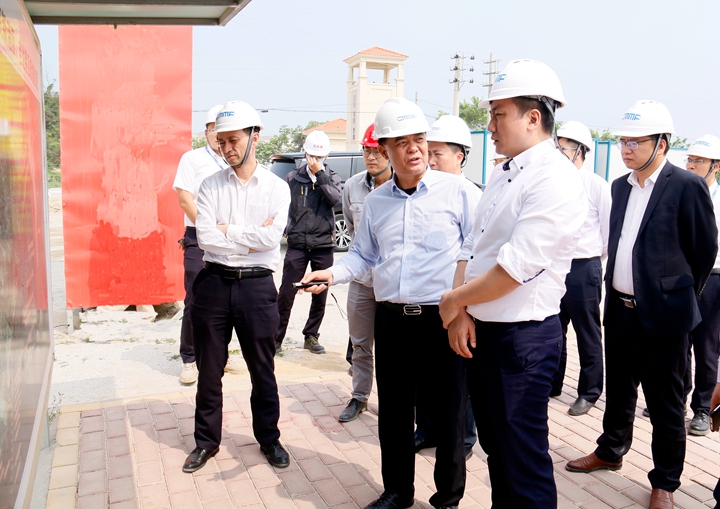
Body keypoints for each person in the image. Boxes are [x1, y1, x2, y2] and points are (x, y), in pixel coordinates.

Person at [301, 97, 477, 509]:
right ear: (384, 149)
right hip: (393, 319)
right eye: (402, 142)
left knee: (450, 413)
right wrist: (332, 274)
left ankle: (448, 498)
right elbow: (363, 255)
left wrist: (465, 309)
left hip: (442, 319)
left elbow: (477, 250)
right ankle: (398, 491)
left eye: (419, 139)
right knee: (395, 413)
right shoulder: (377, 202)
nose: (414, 149)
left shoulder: (460, 192)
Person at [438, 59, 588, 508]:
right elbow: (472, 245)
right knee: (498, 453)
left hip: (522, 342)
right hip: (485, 332)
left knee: (523, 462)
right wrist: (462, 311)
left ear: (532, 118)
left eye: (498, 114)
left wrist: (453, 299)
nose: (490, 126)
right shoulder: (506, 173)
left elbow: (515, 269)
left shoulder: (555, 179)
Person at [565, 100, 718, 509]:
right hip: (620, 311)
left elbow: (704, 250)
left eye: (636, 142)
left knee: (665, 404)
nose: (626, 149)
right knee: (619, 391)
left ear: (662, 144)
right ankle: (610, 450)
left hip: (665, 317)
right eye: (623, 141)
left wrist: (677, 294)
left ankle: (665, 481)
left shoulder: (686, 186)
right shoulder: (619, 186)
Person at [183, 100, 291, 473]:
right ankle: (206, 442)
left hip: (257, 288)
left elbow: (272, 239)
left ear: (254, 136)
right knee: (209, 370)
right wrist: (249, 237)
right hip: (213, 284)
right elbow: (206, 238)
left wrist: (229, 231)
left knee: (262, 369)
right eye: (221, 141)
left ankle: (269, 438)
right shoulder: (209, 186)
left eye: (234, 140)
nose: (227, 148)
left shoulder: (277, 188)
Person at [418, 114, 481, 459]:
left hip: (455, 304)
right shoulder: (424, 191)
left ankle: (463, 439)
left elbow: (474, 251)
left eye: (438, 153)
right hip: (426, 301)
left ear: (460, 156)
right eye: (428, 152)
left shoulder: (469, 194)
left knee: (458, 378)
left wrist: (464, 306)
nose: (430, 160)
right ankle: (427, 429)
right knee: (426, 375)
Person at [172, 104, 239, 385]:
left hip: (228, 238)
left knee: (225, 300)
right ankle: (189, 358)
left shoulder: (233, 161)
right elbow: (185, 199)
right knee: (195, 299)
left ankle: (220, 354)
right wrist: (208, 228)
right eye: (213, 130)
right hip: (199, 237)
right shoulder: (193, 159)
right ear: (207, 132)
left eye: (222, 131)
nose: (217, 135)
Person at [550, 121, 611, 416]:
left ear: (580, 151)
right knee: (554, 328)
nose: (558, 152)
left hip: (584, 268)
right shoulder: (552, 182)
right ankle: (552, 383)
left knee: (587, 332)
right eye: (556, 147)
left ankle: (589, 391)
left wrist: (592, 263)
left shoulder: (596, 185)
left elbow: (608, 233)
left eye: (563, 148)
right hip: (554, 266)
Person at [337, 123, 393, 423]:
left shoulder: (402, 186)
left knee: (391, 348)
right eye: (366, 150)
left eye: (377, 151)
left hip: (392, 283)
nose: (371, 157)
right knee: (360, 344)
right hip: (361, 280)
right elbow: (352, 230)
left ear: (389, 151)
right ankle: (359, 396)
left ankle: (395, 402)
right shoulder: (352, 186)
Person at [274, 130, 342, 355]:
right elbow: (281, 207)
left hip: (323, 245)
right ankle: (276, 338)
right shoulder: (293, 178)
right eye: (312, 156)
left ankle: (311, 335)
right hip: (298, 245)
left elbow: (334, 199)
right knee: (286, 293)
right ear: (305, 153)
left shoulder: (332, 178)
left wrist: (320, 175)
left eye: (320, 157)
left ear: (326, 156)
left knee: (320, 294)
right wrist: (288, 230)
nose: (315, 160)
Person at [681, 134, 720, 435]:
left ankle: (703, 409)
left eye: (699, 161)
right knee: (678, 342)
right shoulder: (680, 193)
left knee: (706, 347)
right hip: (682, 278)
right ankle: (676, 396)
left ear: (715, 166)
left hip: (713, 280)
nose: (692, 165)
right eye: (690, 160)